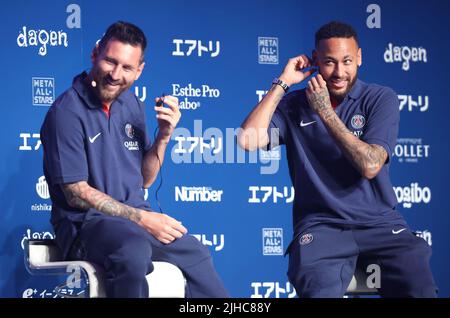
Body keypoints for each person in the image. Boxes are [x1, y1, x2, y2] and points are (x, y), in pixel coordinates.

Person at [238, 21, 437, 298]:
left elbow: (370, 165)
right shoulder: (294, 104)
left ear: (359, 58)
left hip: (379, 223)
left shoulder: (379, 98)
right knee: (317, 290)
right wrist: (282, 83)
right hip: (321, 227)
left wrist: (325, 113)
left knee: (420, 288)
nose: (339, 72)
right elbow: (246, 141)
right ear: (315, 60)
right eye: (329, 62)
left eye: (347, 61)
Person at [40, 21, 228, 298]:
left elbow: (145, 178)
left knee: (195, 253)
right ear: (95, 54)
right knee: (132, 249)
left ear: (139, 70)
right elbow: (75, 194)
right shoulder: (65, 112)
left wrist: (164, 135)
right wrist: (143, 219)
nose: (116, 74)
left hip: (134, 222)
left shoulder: (133, 105)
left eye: (127, 67)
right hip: (87, 226)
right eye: (110, 61)